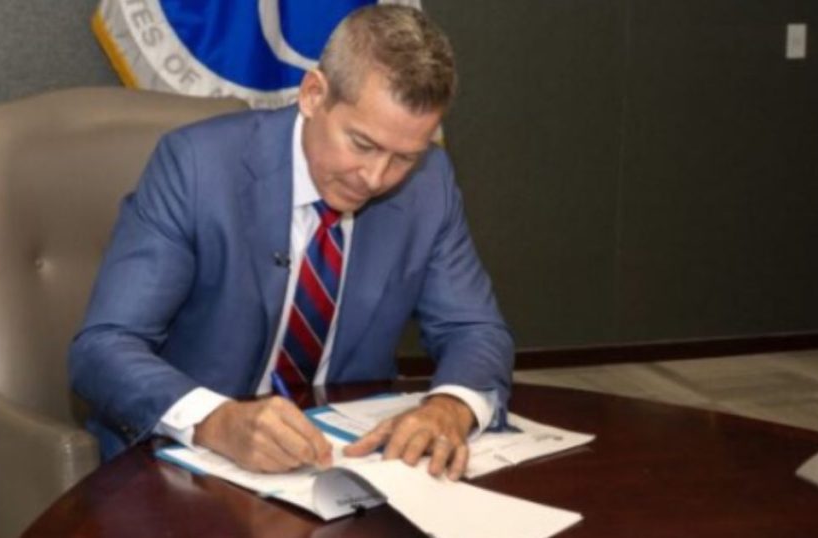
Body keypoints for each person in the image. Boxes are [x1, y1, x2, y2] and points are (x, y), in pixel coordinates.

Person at [69, 5, 513, 481]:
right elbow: (103, 348)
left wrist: (450, 406)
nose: (375, 177)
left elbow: (475, 329)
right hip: (183, 463)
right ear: (313, 94)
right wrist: (214, 420)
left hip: (343, 463)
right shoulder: (197, 167)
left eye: (404, 157)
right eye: (362, 145)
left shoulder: (429, 184)